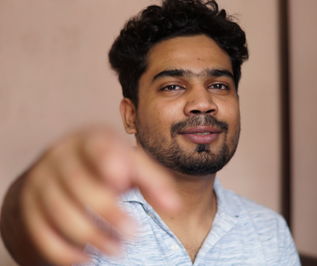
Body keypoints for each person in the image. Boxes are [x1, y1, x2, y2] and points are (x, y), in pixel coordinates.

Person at [0, 0, 300, 265]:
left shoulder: (269, 230)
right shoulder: (85, 217)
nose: (203, 103)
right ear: (131, 116)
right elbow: (22, 234)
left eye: (219, 85)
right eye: (172, 86)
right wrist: (31, 190)